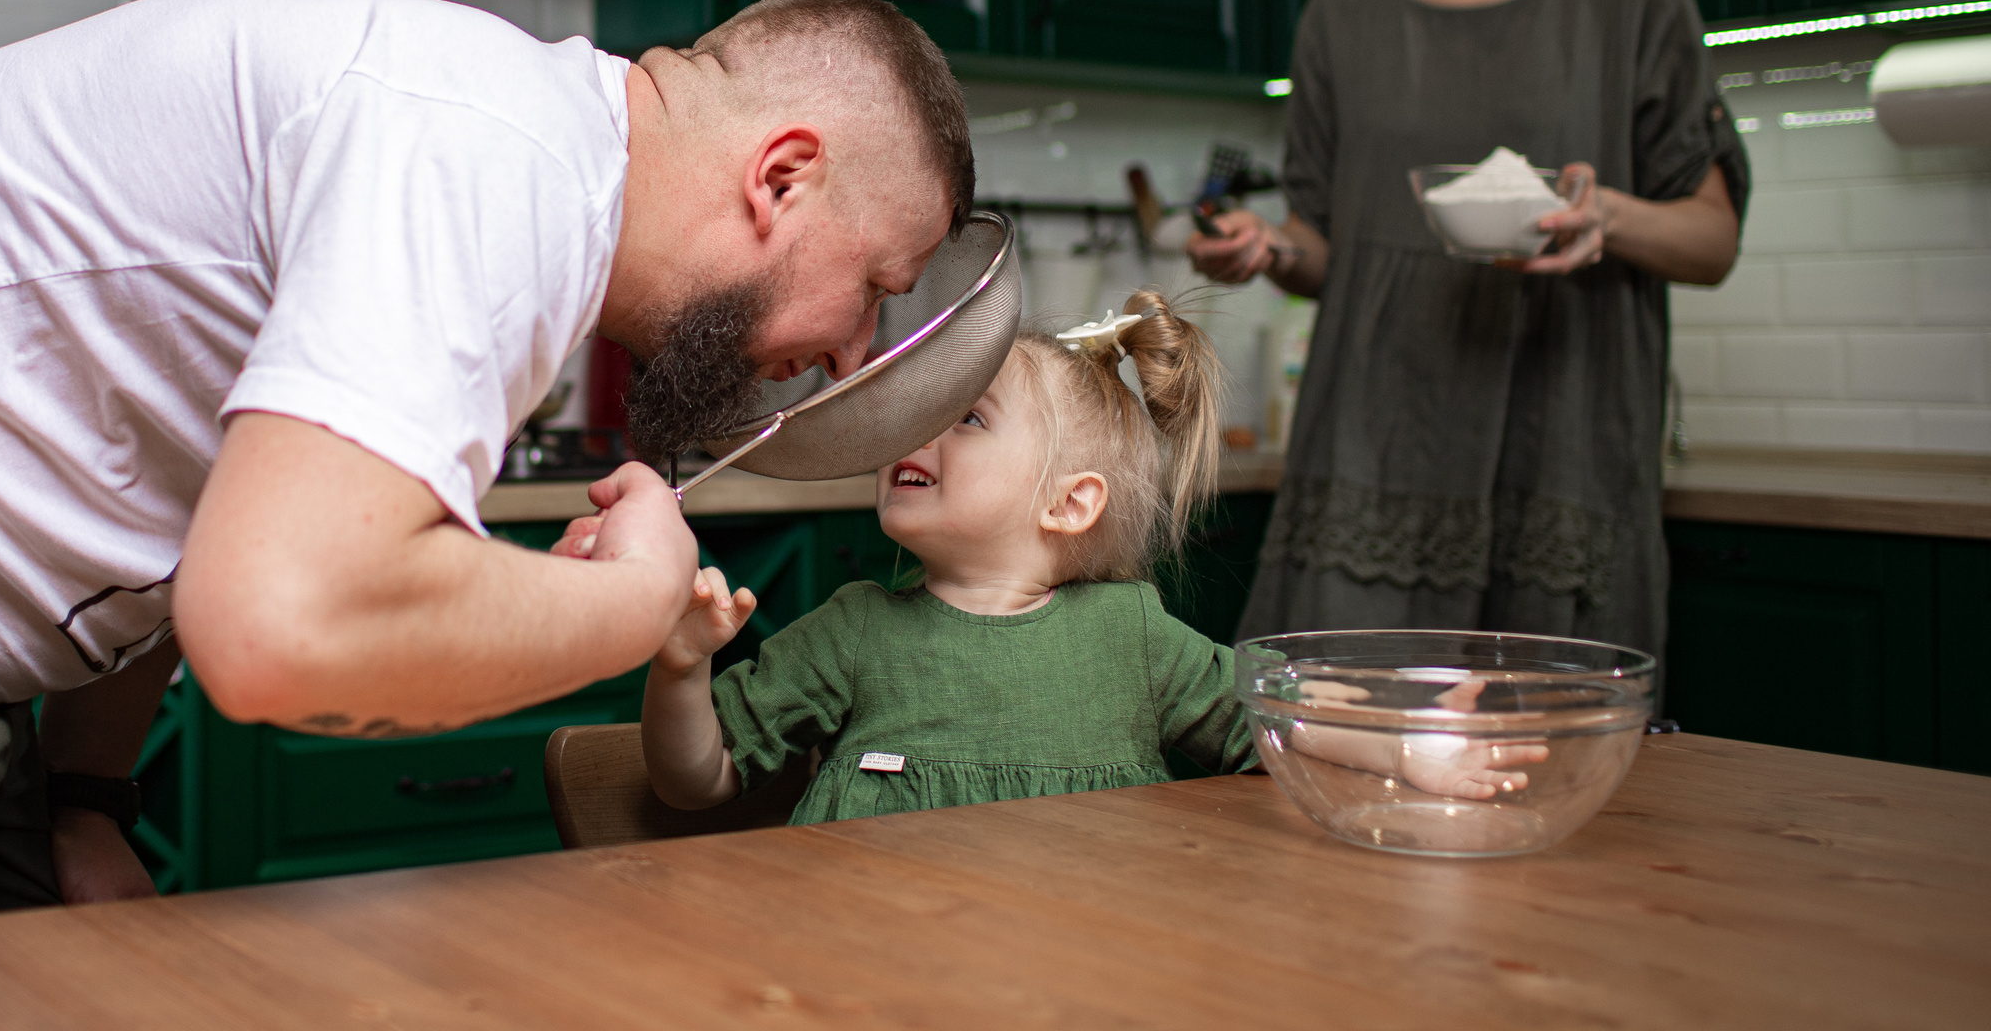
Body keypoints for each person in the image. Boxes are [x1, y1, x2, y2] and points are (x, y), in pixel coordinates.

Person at [0, 0, 973, 953]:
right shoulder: (490, 165)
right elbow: (282, 623)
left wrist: (90, 794)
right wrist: (636, 607)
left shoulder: (525, 169)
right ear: (780, 176)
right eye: (875, 286)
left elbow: (180, 494)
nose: (853, 354)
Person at [1189, 0, 1748, 660]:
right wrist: (1267, 247)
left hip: (1567, 439)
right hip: (1372, 441)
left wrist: (1604, 218)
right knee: (1325, 747)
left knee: (1554, 768)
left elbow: (1712, 240)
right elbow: (1327, 249)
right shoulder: (1339, 16)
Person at [619, 294, 1546, 825]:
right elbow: (692, 780)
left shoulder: (1131, 635)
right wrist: (682, 665)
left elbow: (1281, 720)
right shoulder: (854, 630)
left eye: (967, 417)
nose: (920, 427)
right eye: (923, 408)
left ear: (1070, 504)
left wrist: (1407, 744)